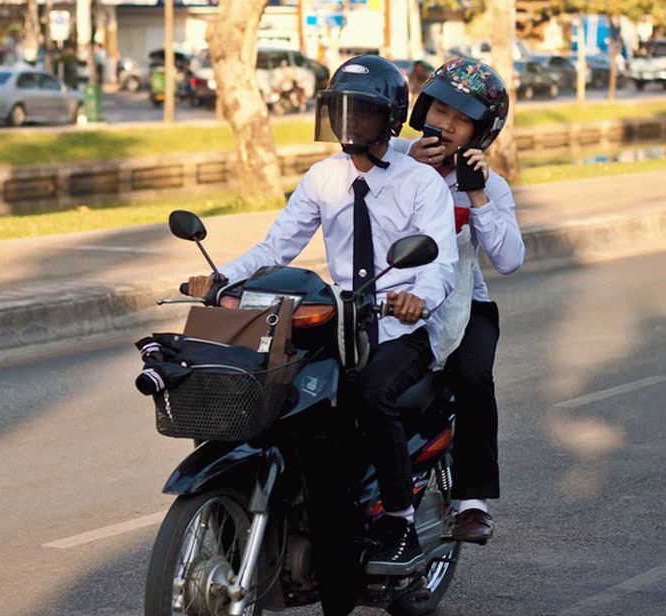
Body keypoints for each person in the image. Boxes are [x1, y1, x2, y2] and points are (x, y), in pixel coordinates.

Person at [186, 55, 457, 574]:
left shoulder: (421, 182)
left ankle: (399, 521)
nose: (350, 123)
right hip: (341, 322)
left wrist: (418, 296)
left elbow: (440, 262)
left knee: (371, 390)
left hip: (404, 327)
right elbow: (276, 247)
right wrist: (222, 278)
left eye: (364, 113)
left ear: (391, 118)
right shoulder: (322, 177)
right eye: (341, 111)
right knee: (282, 389)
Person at [392, 57, 525, 544]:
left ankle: (471, 498)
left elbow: (510, 259)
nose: (446, 125)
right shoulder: (395, 161)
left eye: (461, 118)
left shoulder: (489, 185)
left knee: (472, 375)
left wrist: (479, 196)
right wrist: (408, 175)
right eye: (440, 110)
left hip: (465, 306)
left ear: (480, 132)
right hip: (394, 301)